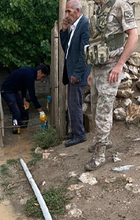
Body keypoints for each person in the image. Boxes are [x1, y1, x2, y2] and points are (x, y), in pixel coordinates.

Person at [84, 0, 138, 170]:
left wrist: (120, 64)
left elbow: (133, 35)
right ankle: (103, 140)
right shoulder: (99, 8)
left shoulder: (120, 6)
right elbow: (97, 40)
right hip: (97, 67)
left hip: (111, 68)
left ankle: (100, 155)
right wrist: (91, 71)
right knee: (95, 108)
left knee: (103, 112)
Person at [60, 0, 91, 147]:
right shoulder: (74, 26)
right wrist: (64, 30)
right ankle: (75, 132)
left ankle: (79, 135)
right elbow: (66, 48)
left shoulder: (84, 24)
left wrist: (77, 74)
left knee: (75, 105)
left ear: (77, 11)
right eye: (66, 12)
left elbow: (84, 53)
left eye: (69, 11)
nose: (66, 15)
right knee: (72, 104)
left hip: (77, 74)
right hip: (72, 72)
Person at [0, 64, 48, 130]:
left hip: (14, 91)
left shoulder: (30, 73)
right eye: (42, 77)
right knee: (16, 111)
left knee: (24, 109)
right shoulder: (30, 75)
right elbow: (32, 95)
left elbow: (24, 86)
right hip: (6, 91)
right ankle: (16, 129)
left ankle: (23, 127)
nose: (41, 79)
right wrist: (40, 111)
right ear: (39, 72)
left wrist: (24, 99)